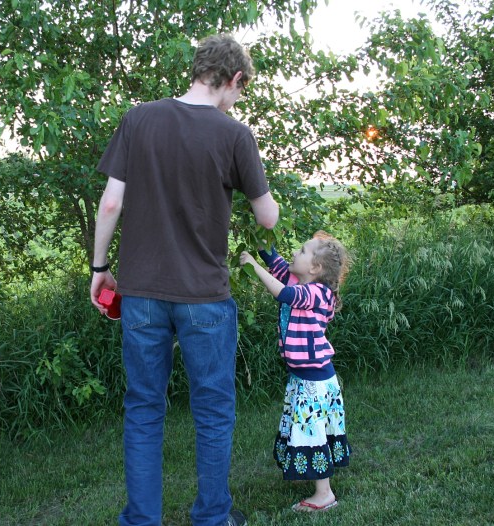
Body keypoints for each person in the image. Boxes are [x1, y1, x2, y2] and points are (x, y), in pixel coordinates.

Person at [89, 34, 279, 526]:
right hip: (204, 299)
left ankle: (141, 520)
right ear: (234, 78)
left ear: (198, 69)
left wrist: (99, 268)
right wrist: (264, 192)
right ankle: (213, 518)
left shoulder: (139, 118)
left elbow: (111, 202)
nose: (239, 99)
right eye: (242, 89)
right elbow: (267, 220)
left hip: (141, 295)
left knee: (144, 408)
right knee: (213, 409)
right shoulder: (234, 134)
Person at [239, 231, 351, 513]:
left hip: (315, 380)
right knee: (307, 430)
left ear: (315, 268)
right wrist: (260, 239)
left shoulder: (316, 293)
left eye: (302, 251)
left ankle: (324, 494)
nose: (295, 253)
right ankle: (316, 480)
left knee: (312, 432)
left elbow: (283, 292)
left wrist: (252, 266)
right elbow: (276, 262)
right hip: (304, 377)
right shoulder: (299, 279)